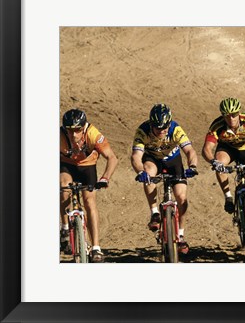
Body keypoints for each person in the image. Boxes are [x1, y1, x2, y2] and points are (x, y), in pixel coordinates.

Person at [131, 103, 198, 254]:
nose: (161, 131)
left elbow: (190, 151)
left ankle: (180, 235)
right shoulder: (143, 131)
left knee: (181, 198)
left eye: (164, 128)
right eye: (157, 128)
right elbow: (136, 156)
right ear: (151, 124)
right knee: (148, 173)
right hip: (152, 159)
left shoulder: (175, 129)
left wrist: (192, 166)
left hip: (173, 160)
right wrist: (140, 171)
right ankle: (154, 212)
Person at [202, 97, 245, 244]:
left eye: (234, 114)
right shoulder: (217, 126)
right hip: (227, 149)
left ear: (239, 113)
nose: (231, 118)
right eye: (227, 115)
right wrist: (213, 161)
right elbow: (206, 148)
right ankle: (228, 197)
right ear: (222, 115)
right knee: (220, 162)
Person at [60, 109, 118, 263]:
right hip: (67, 166)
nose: (73, 135)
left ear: (84, 127)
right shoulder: (59, 136)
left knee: (89, 202)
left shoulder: (93, 135)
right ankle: (65, 228)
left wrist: (105, 177)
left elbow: (112, 158)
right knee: (63, 187)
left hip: (88, 167)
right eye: (70, 131)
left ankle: (96, 247)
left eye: (77, 130)